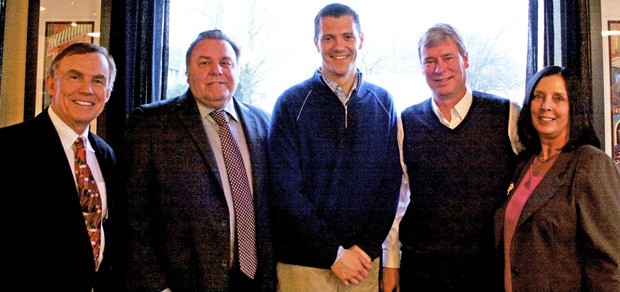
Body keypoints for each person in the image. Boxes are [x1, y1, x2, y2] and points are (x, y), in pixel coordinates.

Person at [121, 29, 275, 291]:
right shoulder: (151, 124)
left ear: (236, 70)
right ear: (187, 73)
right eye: (204, 62)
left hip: (255, 281)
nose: (217, 70)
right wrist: (157, 287)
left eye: (225, 62)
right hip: (185, 283)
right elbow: (133, 216)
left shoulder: (262, 122)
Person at [269, 3, 402, 291]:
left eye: (347, 36)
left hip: (363, 265)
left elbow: (389, 185)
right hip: (303, 266)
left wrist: (364, 249)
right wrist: (333, 253)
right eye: (328, 38)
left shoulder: (384, 103)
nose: (338, 46)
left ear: (361, 40)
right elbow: (286, 191)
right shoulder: (290, 104)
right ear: (316, 42)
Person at [381, 23, 521, 291]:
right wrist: (390, 263)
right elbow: (398, 200)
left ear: (465, 60)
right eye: (429, 61)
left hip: (487, 271)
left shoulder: (506, 115)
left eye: (447, 58)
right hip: (422, 270)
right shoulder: (405, 123)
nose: (439, 69)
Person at [0, 42, 120, 291]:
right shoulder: (8, 149)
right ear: (51, 84)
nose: (87, 89)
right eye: (75, 77)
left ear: (108, 92)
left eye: (98, 80)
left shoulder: (106, 156)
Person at [493, 65, 620, 291]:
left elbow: (610, 264)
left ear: (574, 107)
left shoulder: (591, 164)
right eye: (538, 97)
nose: (545, 106)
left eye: (558, 98)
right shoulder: (523, 164)